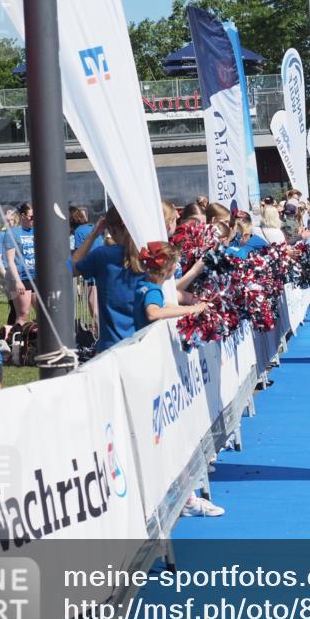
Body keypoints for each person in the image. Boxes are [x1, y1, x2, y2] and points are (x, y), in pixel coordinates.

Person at [133, 241, 225, 517]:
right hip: (151, 371)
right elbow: (153, 312)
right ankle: (186, 500)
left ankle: (186, 497)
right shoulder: (150, 289)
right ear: (168, 266)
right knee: (172, 435)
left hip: (150, 366)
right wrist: (192, 310)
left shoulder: (142, 284)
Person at [72, 208, 142, 353]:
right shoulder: (148, 255)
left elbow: (71, 268)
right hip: (143, 341)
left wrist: (93, 235)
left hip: (111, 346)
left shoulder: (102, 255)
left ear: (110, 228)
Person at [5, 203, 36, 327]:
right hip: (22, 277)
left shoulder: (36, 231)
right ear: (23, 216)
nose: (33, 220)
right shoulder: (13, 233)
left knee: (43, 313)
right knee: (23, 313)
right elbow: (10, 260)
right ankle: (18, 343)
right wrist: (18, 281)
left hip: (36, 276)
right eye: (31, 217)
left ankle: (35, 341)